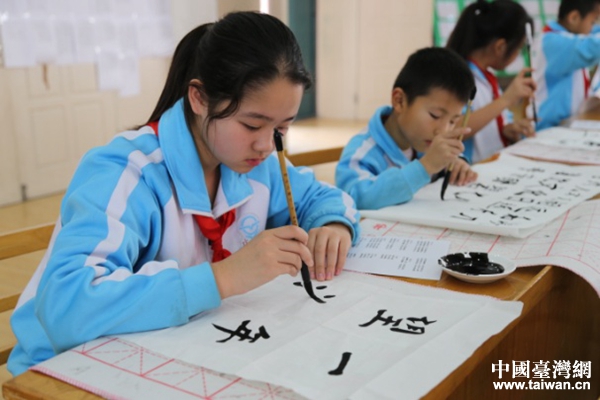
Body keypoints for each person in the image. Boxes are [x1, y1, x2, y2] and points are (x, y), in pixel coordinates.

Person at [8, 11, 360, 376]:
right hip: (69, 368)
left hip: (174, 353)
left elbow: (325, 198)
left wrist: (333, 225)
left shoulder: (257, 164)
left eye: (282, 128)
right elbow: (66, 306)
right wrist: (223, 278)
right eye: (251, 124)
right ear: (199, 98)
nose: (266, 145)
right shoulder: (127, 171)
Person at [335, 47, 477, 210]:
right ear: (399, 101)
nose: (443, 131)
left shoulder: (422, 141)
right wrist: (425, 167)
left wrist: (457, 163)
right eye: (435, 115)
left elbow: (444, 158)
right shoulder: (363, 151)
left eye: (453, 121)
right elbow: (356, 198)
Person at [446, 0, 537, 163]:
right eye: (518, 48)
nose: (518, 55)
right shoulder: (457, 77)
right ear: (500, 46)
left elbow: (488, 120)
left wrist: (507, 130)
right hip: (467, 169)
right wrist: (506, 100)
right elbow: (453, 128)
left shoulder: (487, 77)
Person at [534, 0, 600, 129]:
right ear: (574, 18)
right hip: (548, 128)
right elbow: (593, 46)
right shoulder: (554, 42)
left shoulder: (567, 36)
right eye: (592, 22)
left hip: (567, 123)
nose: (592, 28)